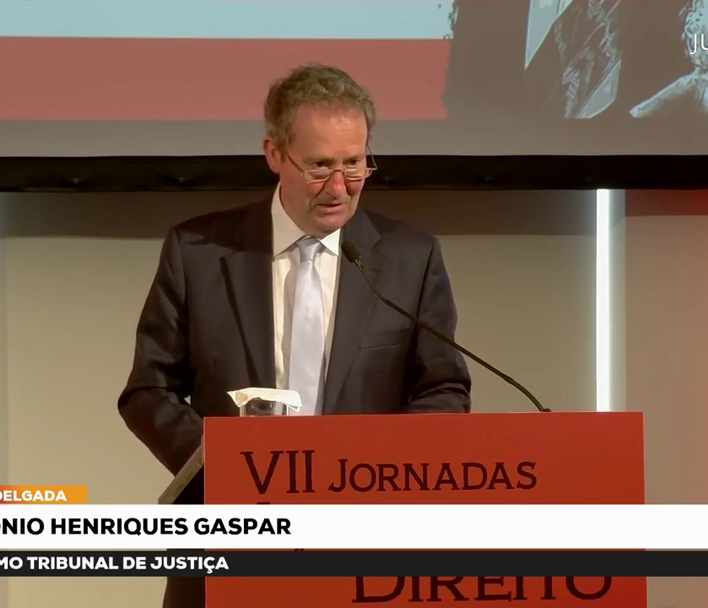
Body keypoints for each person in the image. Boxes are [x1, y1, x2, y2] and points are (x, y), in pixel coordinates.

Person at [117, 63, 472, 608]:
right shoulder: (199, 251)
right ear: (275, 154)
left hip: (365, 543)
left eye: (354, 164)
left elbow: (444, 391)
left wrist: (373, 473)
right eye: (319, 166)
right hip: (229, 536)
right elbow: (148, 390)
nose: (339, 188)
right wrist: (229, 467)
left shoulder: (411, 258)